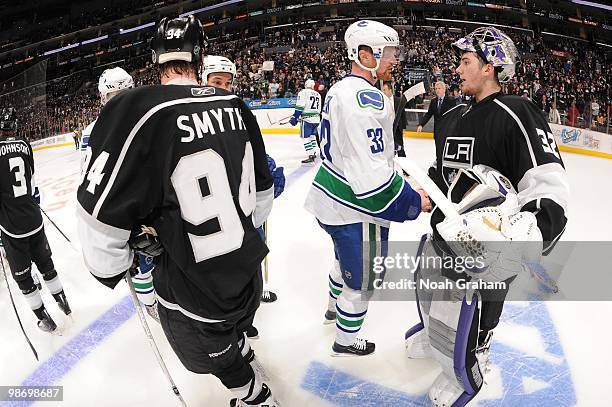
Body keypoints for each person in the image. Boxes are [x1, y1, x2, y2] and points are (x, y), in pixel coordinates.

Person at [76, 16, 278, 406]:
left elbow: (98, 215)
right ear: (199, 57)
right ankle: (246, 355)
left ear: (155, 59)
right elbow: (263, 197)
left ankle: (254, 396)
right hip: (248, 270)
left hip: (193, 287)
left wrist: (112, 266)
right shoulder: (234, 105)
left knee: (219, 359)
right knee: (234, 331)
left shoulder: (139, 110)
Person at [404, 27, 569, 406]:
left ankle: (474, 358)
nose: (458, 69)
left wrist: (533, 232)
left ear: (490, 67)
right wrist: (423, 188)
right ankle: (437, 337)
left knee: (478, 305)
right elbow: (446, 171)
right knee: (436, 289)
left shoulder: (518, 111)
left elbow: (548, 182)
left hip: (488, 246)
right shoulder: (456, 114)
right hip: (447, 233)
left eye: (466, 61)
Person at [304, 20, 431, 357]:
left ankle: (332, 310)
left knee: (339, 260)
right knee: (362, 283)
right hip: (356, 211)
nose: (395, 59)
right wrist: (413, 201)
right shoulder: (365, 98)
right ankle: (345, 341)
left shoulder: (337, 89)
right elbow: (373, 182)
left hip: (328, 200)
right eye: (389, 53)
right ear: (365, 54)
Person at [201, 54, 286, 335]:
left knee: (250, 269)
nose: (224, 88)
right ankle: (233, 324)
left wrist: (267, 172)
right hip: (215, 220)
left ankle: (245, 318)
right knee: (224, 279)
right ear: (202, 82)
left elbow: (254, 154)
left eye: (228, 83)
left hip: (244, 212)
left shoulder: (237, 113)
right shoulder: (191, 120)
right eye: (216, 82)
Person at [0, 107, 71, 332]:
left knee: (22, 276)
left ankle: (43, 318)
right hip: (33, 216)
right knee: (46, 264)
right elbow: (30, 180)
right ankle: (63, 301)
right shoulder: (23, 144)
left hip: (11, 225)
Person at [289, 79, 321, 163]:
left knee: (305, 137)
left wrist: (295, 117)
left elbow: (300, 106)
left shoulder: (303, 92)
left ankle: (310, 155)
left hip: (307, 120)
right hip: (317, 119)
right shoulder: (318, 94)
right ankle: (314, 152)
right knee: (312, 136)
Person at [382, 81, 407, 157]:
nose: (383, 92)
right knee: (388, 149)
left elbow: (403, 114)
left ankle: (404, 165)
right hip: (387, 129)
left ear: (390, 90)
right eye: (382, 90)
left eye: (384, 90)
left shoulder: (398, 100)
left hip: (397, 128)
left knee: (400, 149)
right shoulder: (382, 101)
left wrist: (404, 127)